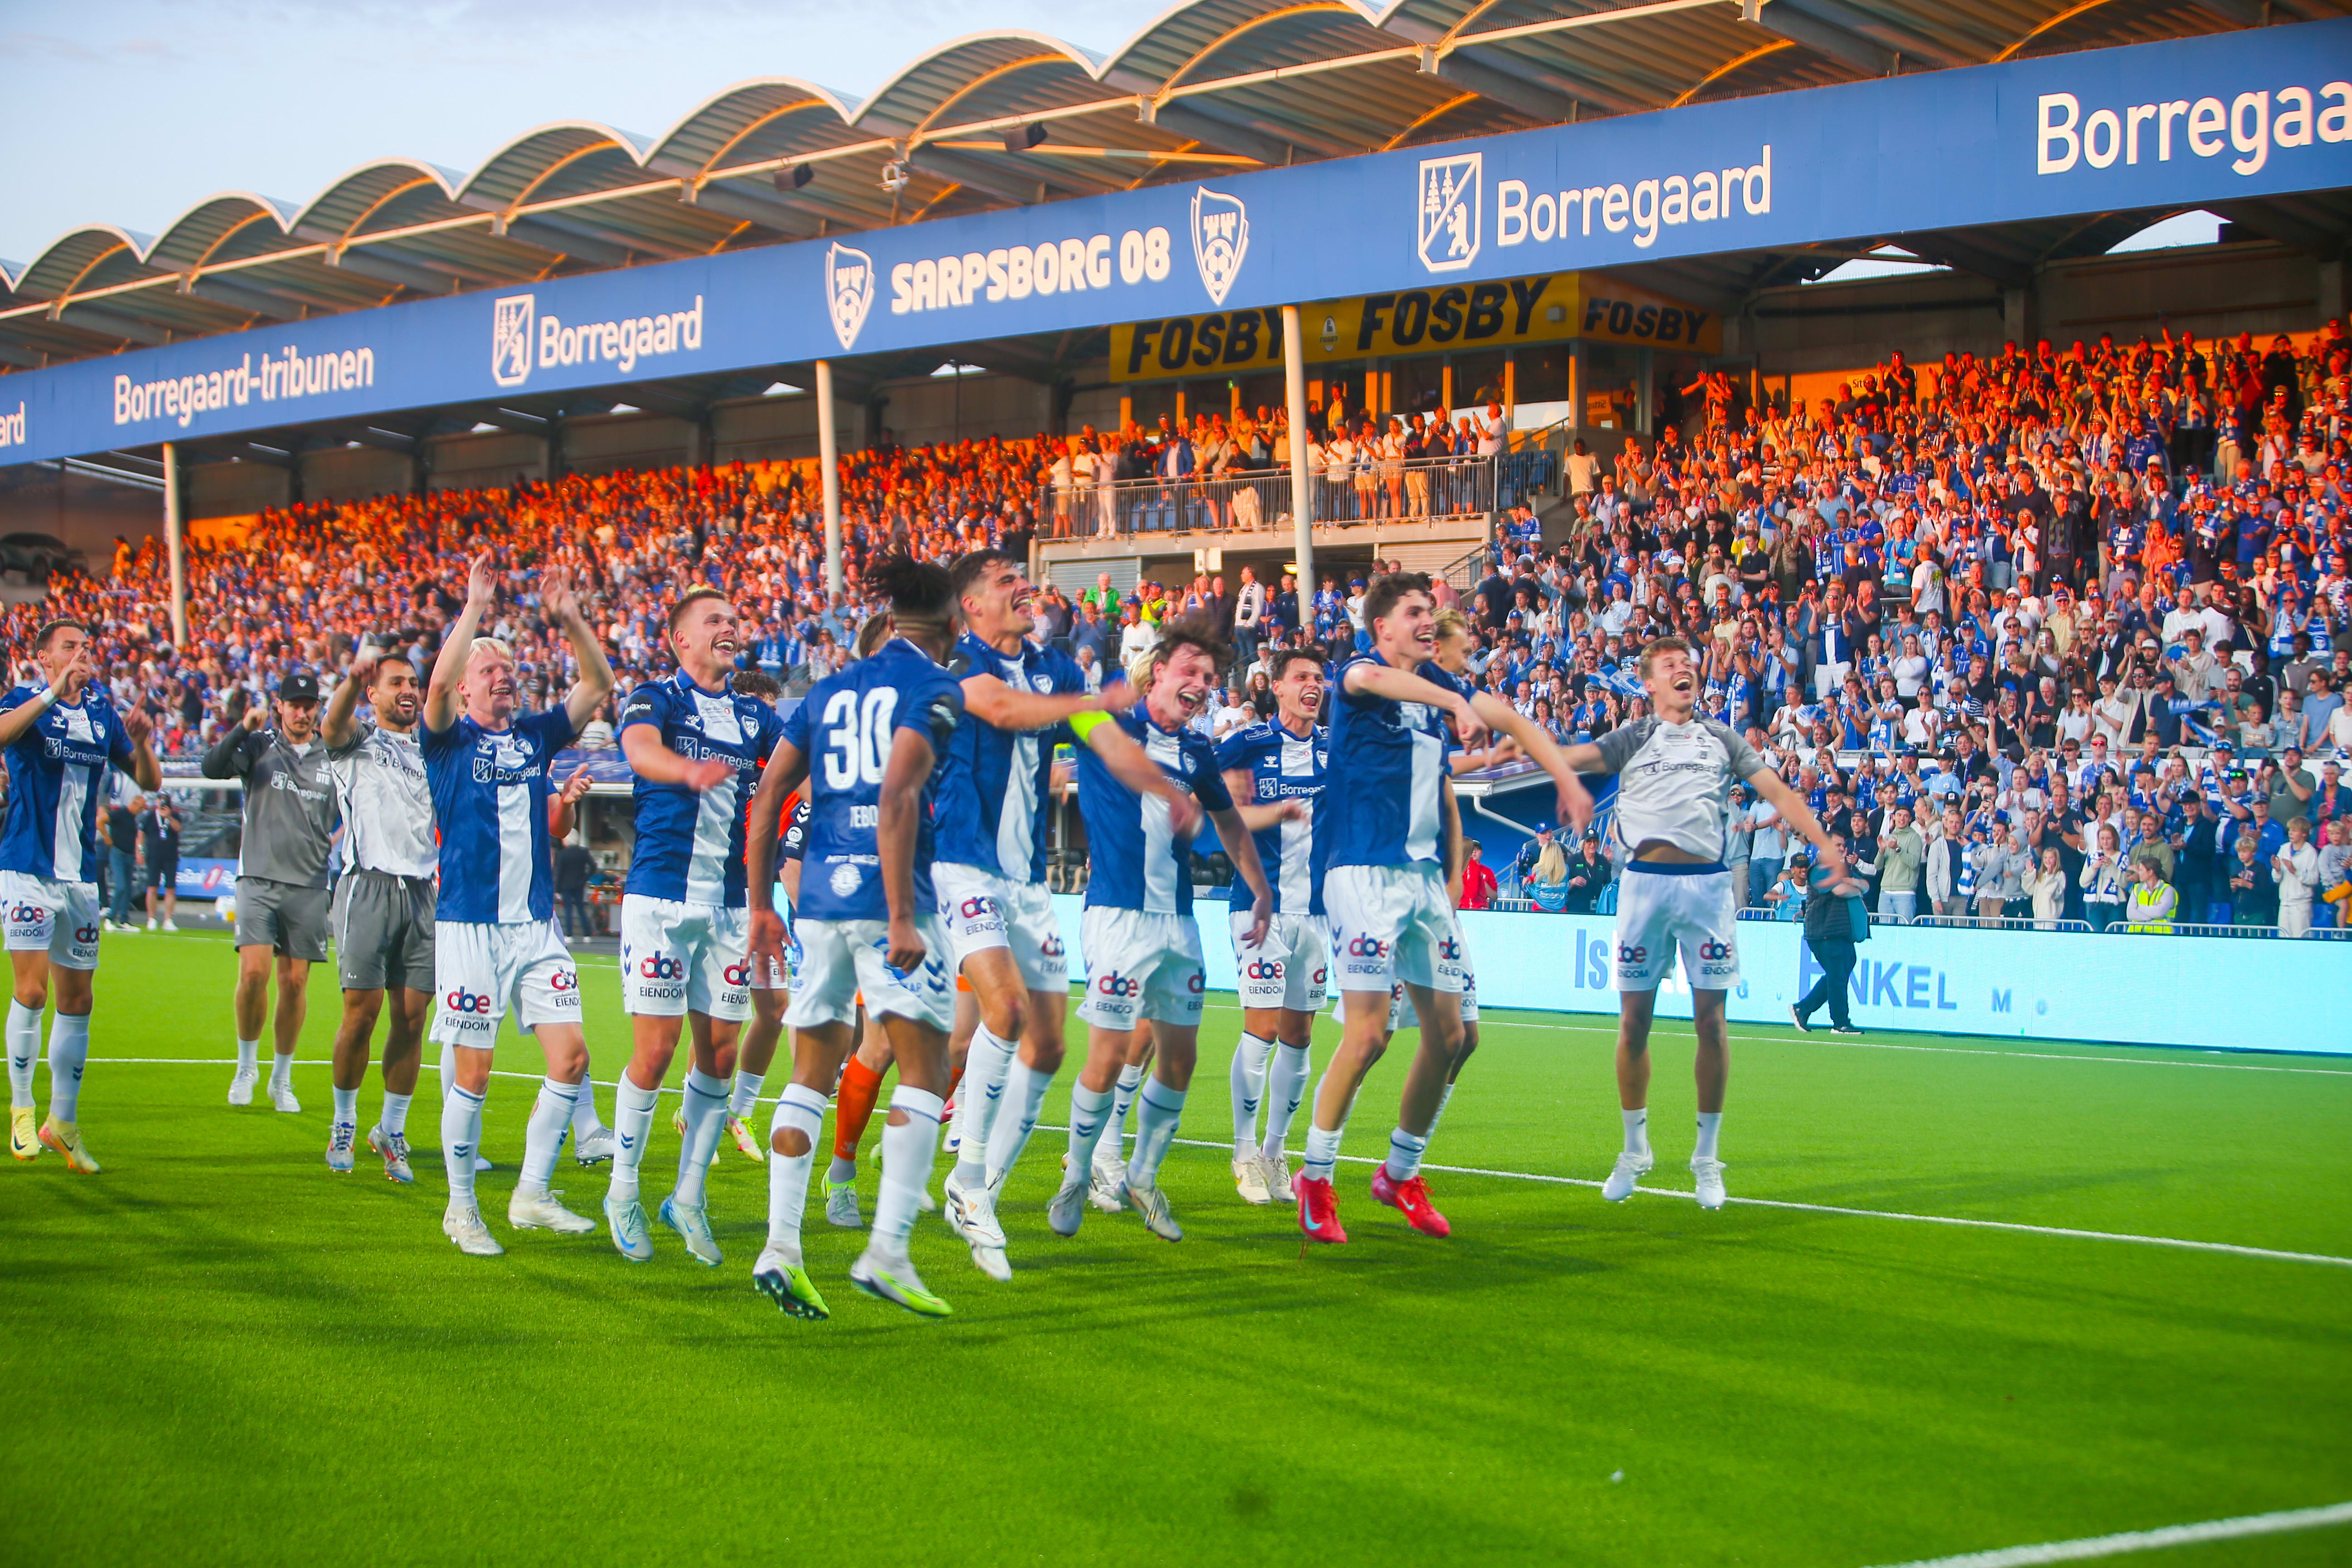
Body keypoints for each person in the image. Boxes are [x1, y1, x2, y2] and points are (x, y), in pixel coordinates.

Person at [1298, 573, 1592, 1244]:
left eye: (1431, 611)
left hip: (1424, 882)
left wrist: (1566, 780)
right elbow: (1377, 681)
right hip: (1362, 873)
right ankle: (1314, 1177)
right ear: (1383, 628)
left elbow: (1514, 721)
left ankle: (1399, 1173)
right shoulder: (1360, 675)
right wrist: (1455, 700)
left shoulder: (1438, 691)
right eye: (1414, 612)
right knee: (1368, 1037)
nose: (1428, 620)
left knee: (1454, 1035)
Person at [929, 548, 1161, 1282]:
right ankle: (968, 1178)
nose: (1024, 589)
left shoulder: (1053, 666)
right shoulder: (957, 662)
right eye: (1006, 582)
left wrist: (1164, 789)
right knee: (1003, 1011)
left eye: (1023, 580)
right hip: (961, 862)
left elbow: (1103, 738)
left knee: (1051, 1044)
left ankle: (979, 1188)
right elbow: (1001, 710)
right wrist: (1093, 701)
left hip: (1027, 882)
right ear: (972, 604)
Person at [744, 556, 966, 1320]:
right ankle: (887, 1253)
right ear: (950, 623)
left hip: (818, 904)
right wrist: (903, 914)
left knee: (810, 1073)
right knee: (926, 1069)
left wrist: (761, 906)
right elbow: (898, 795)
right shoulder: (934, 688)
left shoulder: (828, 690)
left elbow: (769, 794)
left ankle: (781, 1248)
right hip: (890, 898)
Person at [1558, 635, 1840, 1212]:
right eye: (1670, 664)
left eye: (1688, 662)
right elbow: (1573, 758)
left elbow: (1776, 791)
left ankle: (1706, 1159)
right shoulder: (1632, 737)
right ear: (1649, 683)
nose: (1683, 669)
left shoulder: (1722, 738)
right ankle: (1635, 1148)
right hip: (1643, 888)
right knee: (1633, 1024)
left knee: (1711, 1023)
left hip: (1708, 888)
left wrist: (1824, 843)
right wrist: (1507, 747)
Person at [1048, 614, 1274, 1244]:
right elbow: (1041, 723)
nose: (1201, 683)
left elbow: (1228, 824)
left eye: (1210, 675)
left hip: (1178, 921)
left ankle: (1143, 1176)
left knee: (1180, 1057)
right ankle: (1080, 1172)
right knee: (1109, 1053)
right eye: (1191, 670)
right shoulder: (1108, 723)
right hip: (1116, 916)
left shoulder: (1198, 751)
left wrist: (1260, 889)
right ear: (1159, 670)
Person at [420, 554, 614, 1259]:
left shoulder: (534, 736)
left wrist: (571, 620)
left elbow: (598, 685)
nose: (503, 674)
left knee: (572, 1058)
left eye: (508, 667)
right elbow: (435, 685)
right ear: (466, 687)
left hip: (536, 928)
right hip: (470, 928)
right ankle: (461, 1209)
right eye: (489, 669)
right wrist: (475, 609)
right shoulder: (447, 740)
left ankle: (531, 1193)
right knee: (473, 1072)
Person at [598, 586, 791, 1268]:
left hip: (731, 905)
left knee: (719, 1054)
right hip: (662, 899)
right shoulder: (656, 698)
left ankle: (688, 1196)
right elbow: (639, 751)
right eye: (715, 620)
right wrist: (688, 771)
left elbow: (798, 769)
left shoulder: (755, 715)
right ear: (681, 639)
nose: (730, 627)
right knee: (656, 1053)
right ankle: (623, 1191)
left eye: (734, 620)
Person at [0, 618, 162, 1172]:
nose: (82, 655)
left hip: (81, 879)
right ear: (44, 657)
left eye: (86, 647)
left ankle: (63, 1124)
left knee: (79, 1001)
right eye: (69, 647)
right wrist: (51, 692)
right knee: (33, 991)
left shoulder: (100, 712)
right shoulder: (24, 700)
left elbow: (149, 781)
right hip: (27, 869)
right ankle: (23, 1110)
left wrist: (142, 742)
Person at [319, 649, 441, 1181]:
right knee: (361, 1014)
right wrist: (350, 681)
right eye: (396, 682)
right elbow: (331, 725)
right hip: (367, 886)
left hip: (422, 893)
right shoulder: (358, 742)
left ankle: (391, 1129)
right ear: (373, 694)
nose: (408, 690)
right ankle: (343, 1122)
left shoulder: (431, 751)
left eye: (413, 682)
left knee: (412, 1019)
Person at [1215, 646, 1326, 1208]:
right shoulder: (1246, 745)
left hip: (1319, 915)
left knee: (1299, 1038)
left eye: (1319, 677)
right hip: (1260, 910)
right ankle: (1243, 1153)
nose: (1313, 685)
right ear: (1276, 686)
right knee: (1261, 1028)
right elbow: (1209, 800)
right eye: (1301, 676)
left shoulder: (1334, 751)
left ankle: (1275, 1153)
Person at [204, 671, 338, 1115]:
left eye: (309, 705)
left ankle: (282, 1077)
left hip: (309, 883)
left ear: (317, 708)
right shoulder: (259, 746)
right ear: (279, 707)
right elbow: (212, 768)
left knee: (295, 983)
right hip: (258, 878)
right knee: (254, 974)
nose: (302, 712)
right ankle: (246, 1067)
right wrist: (241, 728)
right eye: (294, 704)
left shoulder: (333, 753)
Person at [1789, 853, 1867, 1034]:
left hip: (1841, 931)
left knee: (1839, 973)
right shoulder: (1818, 870)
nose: (1842, 851)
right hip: (1824, 931)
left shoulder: (1844, 869)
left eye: (1842, 846)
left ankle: (1803, 1009)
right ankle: (1840, 1022)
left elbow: (1866, 885)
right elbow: (1841, 891)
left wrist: (1852, 882)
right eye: (1837, 846)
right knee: (1837, 975)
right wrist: (1856, 889)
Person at [101, 794, 141, 932]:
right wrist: (107, 838)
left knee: (128, 888)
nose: (140, 811)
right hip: (118, 853)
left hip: (129, 855)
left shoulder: (133, 818)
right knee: (121, 887)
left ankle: (124, 920)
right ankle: (110, 918)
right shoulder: (120, 813)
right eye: (140, 808)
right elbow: (100, 820)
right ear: (134, 804)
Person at [140, 797, 180, 931]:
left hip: (171, 856)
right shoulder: (150, 817)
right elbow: (141, 834)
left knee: (170, 888)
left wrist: (169, 817)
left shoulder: (175, 815)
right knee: (152, 888)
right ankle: (151, 918)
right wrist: (140, 851)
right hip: (154, 856)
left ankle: (168, 919)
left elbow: (178, 828)